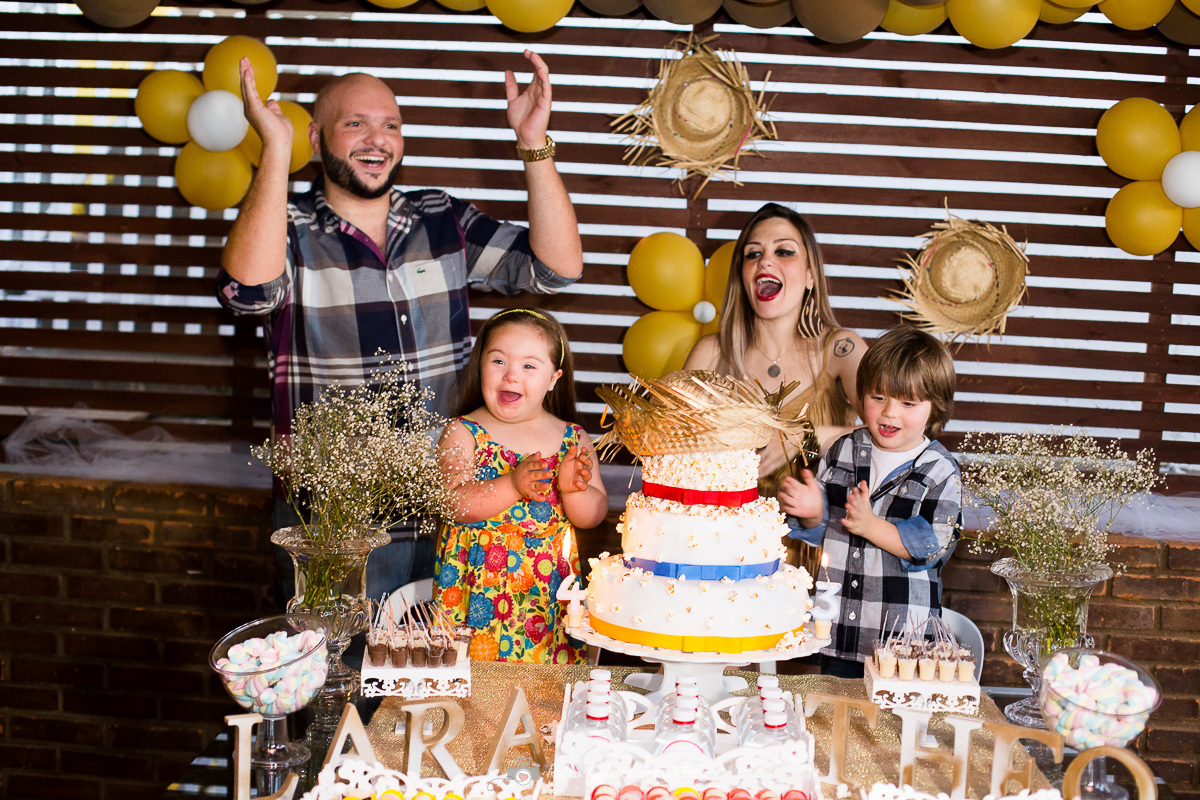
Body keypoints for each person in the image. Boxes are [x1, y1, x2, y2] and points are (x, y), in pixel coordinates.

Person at [215, 51, 584, 605]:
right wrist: (274, 152)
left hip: (456, 509)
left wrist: (534, 142)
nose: (376, 139)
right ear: (315, 139)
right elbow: (246, 295)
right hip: (336, 524)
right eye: (355, 123)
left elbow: (557, 269)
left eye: (390, 125)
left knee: (440, 688)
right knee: (342, 686)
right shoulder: (286, 226)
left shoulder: (442, 217)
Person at [682, 202, 866, 574]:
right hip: (721, 558)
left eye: (784, 251)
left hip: (818, 556)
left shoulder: (841, 349)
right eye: (754, 254)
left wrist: (801, 436)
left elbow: (895, 433)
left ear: (811, 275)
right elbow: (674, 453)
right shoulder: (710, 352)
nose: (766, 261)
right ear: (742, 276)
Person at [778, 326, 961, 678]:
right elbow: (826, 528)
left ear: (934, 408)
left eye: (907, 403)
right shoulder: (844, 449)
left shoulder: (940, 470)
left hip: (902, 646)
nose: (889, 413)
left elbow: (931, 547)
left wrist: (871, 525)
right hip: (839, 629)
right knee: (836, 719)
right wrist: (814, 513)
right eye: (878, 397)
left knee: (888, 727)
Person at [433, 308, 607, 664]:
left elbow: (592, 516)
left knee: (545, 698)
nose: (511, 374)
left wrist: (574, 490)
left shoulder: (572, 438)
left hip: (545, 596)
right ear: (480, 365)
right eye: (498, 361)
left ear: (553, 378)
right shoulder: (463, 432)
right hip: (474, 591)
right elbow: (453, 504)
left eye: (529, 366)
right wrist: (513, 483)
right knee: (476, 694)